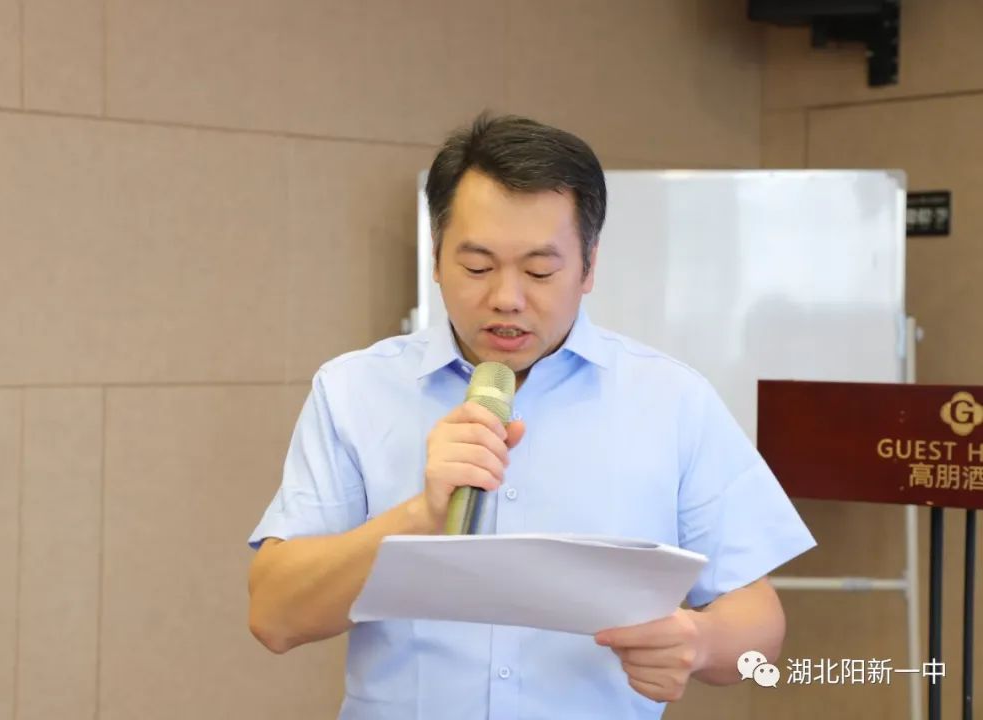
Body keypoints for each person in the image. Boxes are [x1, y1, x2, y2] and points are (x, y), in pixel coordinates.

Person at [246, 112, 816, 719]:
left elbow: (760, 628)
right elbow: (274, 616)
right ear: (436, 258)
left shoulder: (673, 399)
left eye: (540, 270)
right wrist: (419, 516)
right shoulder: (353, 390)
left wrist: (700, 642)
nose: (506, 298)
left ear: (589, 266)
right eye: (477, 267)